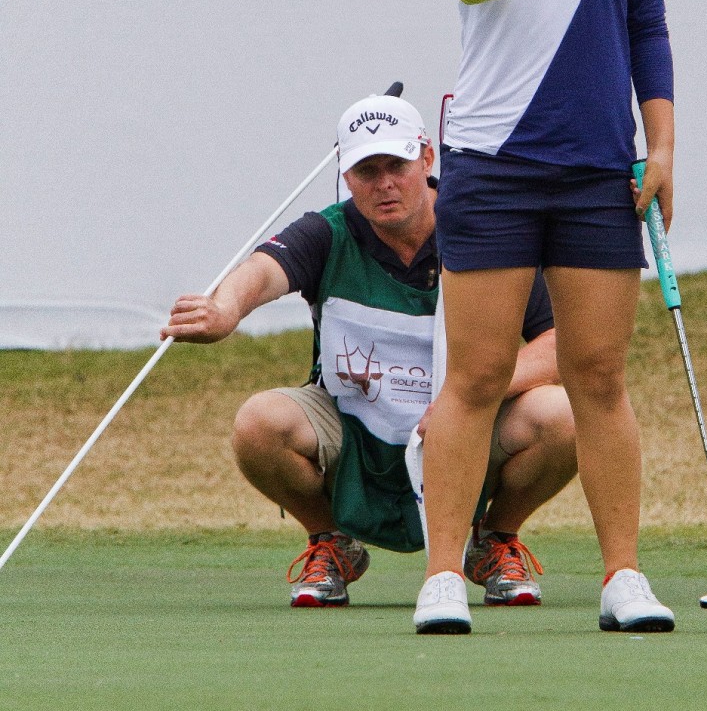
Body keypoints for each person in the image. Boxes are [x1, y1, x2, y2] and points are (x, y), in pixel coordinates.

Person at [416, 0, 676, 635]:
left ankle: (622, 578)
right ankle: (443, 575)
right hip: (491, 165)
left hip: (599, 168)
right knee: (478, 376)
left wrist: (663, 145)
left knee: (597, 374)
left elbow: (646, 22)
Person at [161, 93, 577, 610]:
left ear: (426, 158)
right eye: (367, 169)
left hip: (466, 424)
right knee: (258, 423)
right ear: (346, 174)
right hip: (352, 426)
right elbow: (262, 271)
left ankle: (495, 540)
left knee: (563, 416)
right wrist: (225, 311)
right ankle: (331, 541)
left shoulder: (483, 230)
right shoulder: (327, 232)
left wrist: (473, 392)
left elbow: (563, 342)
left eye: (397, 165)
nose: (384, 184)